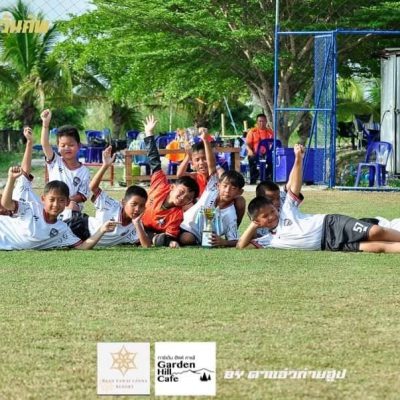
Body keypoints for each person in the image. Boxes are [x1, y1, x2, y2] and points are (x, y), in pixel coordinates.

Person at [238, 144, 400, 253]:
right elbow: (241, 246)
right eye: (265, 216)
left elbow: (294, 185)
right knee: (377, 247)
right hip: (328, 244)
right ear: (257, 221)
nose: (272, 215)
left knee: (377, 231)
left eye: (273, 211)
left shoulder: (286, 209)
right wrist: (253, 224)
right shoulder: (268, 240)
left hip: (331, 225)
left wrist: (298, 159)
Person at [0, 166, 118, 250]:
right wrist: (11, 179)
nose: (56, 204)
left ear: (67, 202)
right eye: (51, 200)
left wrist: (102, 230)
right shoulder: (30, 208)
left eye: (61, 200)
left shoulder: (62, 229)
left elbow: (82, 247)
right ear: (43, 199)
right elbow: (6, 204)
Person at [73, 145, 151, 247]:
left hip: (88, 242)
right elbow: (93, 187)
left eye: (141, 206)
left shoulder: (136, 224)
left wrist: (137, 223)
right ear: (123, 202)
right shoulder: (111, 205)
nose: (137, 209)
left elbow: (146, 246)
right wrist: (105, 165)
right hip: (80, 227)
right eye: (134, 204)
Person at [141, 115, 199, 248]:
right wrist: (149, 133)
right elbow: (154, 160)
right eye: (182, 192)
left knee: (170, 239)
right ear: (172, 187)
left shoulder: (177, 215)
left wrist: (170, 242)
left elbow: (169, 236)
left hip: (153, 232)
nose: (183, 198)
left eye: (188, 198)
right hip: (136, 223)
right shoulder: (161, 184)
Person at [179, 130, 245, 247]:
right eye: (225, 186)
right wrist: (205, 140)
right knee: (186, 238)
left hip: (206, 235)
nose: (227, 191)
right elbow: (212, 166)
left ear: (239, 192)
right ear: (218, 185)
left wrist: (224, 242)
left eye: (233, 188)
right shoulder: (212, 188)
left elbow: (236, 240)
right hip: (188, 227)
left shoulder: (231, 214)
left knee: (189, 239)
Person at [40, 109, 90, 215]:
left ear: (79, 146)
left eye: (71, 145)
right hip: (52, 206)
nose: (67, 148)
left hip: (70, 207)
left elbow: (82, 196)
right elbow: (45, 144)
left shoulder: (84, 171)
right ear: (58, 147)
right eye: (63, 145)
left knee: (72, 206)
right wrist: (45, 124)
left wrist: (64, 201)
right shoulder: (55, 161)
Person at [246, 113, 274, 184]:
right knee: (251, 159)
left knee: (274, 160)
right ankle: (253, 180)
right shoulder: (252, 131)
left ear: (266, 121)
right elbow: (247, 144)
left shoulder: (270, 132)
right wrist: (250, 151)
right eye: (260, 121)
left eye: (263, 121)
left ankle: (267, 179)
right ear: (257, 122)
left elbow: (273, 144)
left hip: (267, 154)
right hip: (255, 154)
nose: (262, 123)